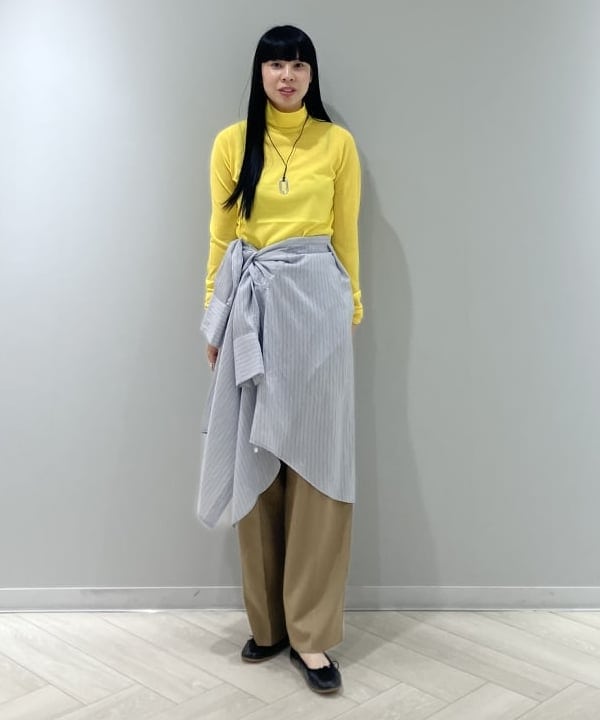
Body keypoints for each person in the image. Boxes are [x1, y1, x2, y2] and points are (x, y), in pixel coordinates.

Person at [197, 24, 362, 694]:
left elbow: (345, 233)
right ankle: (268, 625)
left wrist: (351, 309)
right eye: (275, 65)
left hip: (319, 309)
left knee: (319, 464)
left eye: (297, 65)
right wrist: (213, 318)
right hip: (252, 308)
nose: (286, 76)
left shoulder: (337, 143)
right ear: (259, 73)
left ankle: (311, 636)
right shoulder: (231, 143)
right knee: (257, 454)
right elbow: (220, 236)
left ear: (311, 74)